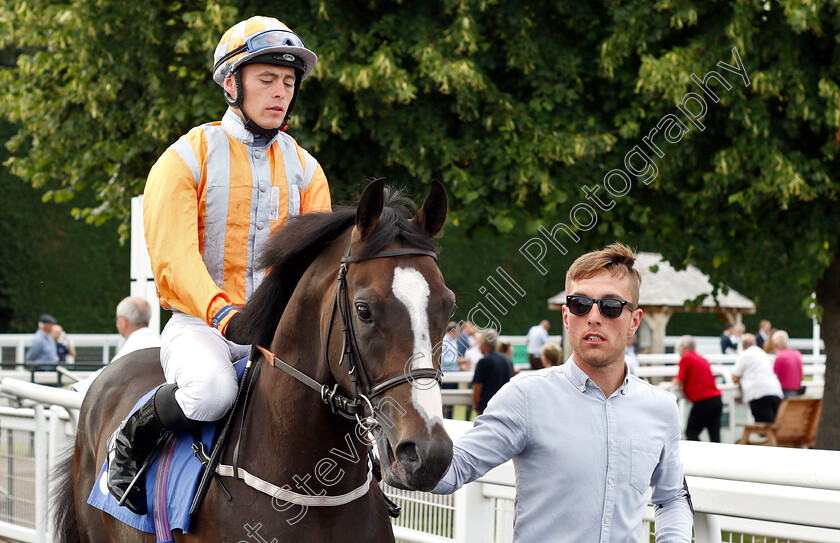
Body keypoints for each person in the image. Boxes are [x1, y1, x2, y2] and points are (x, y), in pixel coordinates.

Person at [105, 16, 331, 515]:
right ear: (232, 83)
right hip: (200, 325)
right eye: (266, 79)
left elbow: (312, 267)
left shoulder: (308, 170)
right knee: (210, 393)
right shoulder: (185, 158)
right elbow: (173, 255)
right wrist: (223, 312)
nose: (280, 93)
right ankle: (131, 442)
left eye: (288, 83)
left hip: (274, 332)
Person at [432, 242, 692, 542]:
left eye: (610, 306)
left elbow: (672, 498)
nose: (594, 317)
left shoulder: (661, 408)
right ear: (567, 318)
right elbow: (454, 469)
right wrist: (386, 449)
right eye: (581, 304)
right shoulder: (525, 397)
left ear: (634, 321)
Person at [72, 297, 162, 394]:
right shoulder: (156, 342)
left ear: (123, 321)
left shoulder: (135, 346)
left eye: (117, 318)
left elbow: (109, 375)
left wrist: (75, 389)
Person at [672, 336, 722, 442]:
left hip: (703, 401)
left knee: (691, 433)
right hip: (716, 399)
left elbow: (678, 380)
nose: (678, 349)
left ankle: (697, 457)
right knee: (714, 435)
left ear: (686, 348)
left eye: (680, 346)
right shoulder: (702, 358)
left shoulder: (687, 358)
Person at [732, 334, 783, 423]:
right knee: (774, 425)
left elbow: (735, 376)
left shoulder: (745, 354)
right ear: (755, 343)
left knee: (764, 428)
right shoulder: (762, 353)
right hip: (775, 391)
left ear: (743, 346)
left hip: (758, 394)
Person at [471, 330, 514, 415]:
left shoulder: (484, 361)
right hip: (505, 406)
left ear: (484, 344)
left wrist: (476, 406)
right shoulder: (507, 360)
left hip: (487, 407)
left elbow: (477, 387)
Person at [770, 330, 804, 398]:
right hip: (797, 391)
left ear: (775, 345)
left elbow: (774, 376)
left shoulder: (780, 357)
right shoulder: (797, 354)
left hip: (785, 392)